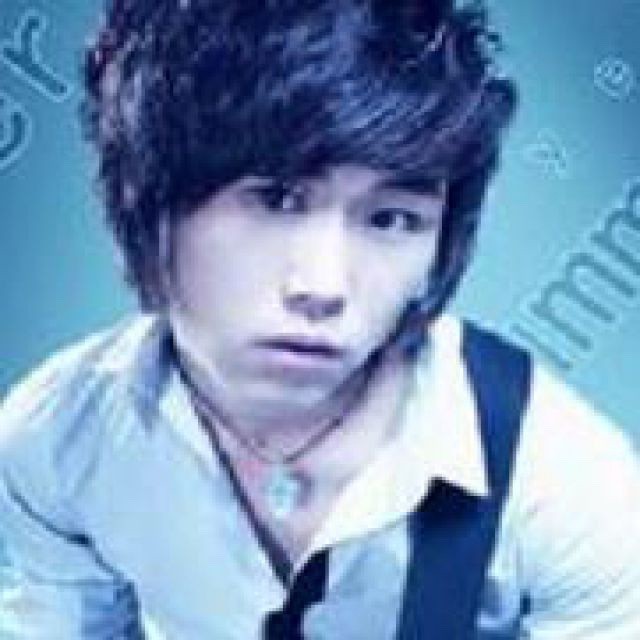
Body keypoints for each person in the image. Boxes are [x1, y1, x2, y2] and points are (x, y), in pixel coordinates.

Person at [1, 1, 639, 638]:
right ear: (150, 206)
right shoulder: (56, 439)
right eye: (276, 200)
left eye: (391, 219)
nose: (323, 287)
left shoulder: (568, 483)